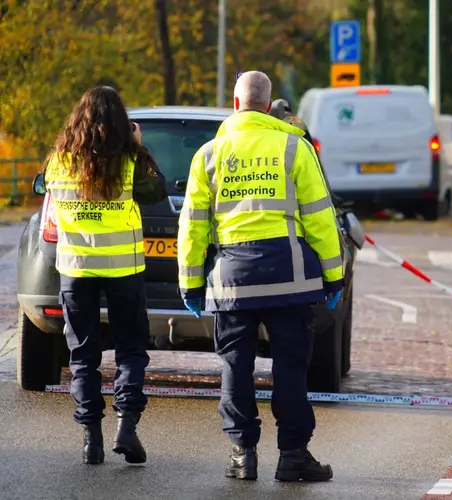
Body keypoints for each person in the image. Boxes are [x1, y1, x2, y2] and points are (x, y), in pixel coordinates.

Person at [177, 71, 343, 482]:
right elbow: (320, 217)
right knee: (290, 367)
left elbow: (194, 226)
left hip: (233, 279)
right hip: (290, 277)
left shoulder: (208, 155)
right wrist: (334, 276)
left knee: (236, 364)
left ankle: (242, 456)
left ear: (235, 105)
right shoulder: (294, 146)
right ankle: (293, 457)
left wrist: (191, 282)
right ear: (269, 106)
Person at [44, 86, 167, 464]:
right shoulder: (130, 161)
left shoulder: (60, 162)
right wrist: (139, 146)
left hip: (76, 271)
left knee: (82, 356)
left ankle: (91, 440)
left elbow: (46, 191)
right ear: (120, 123)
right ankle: (126, 428)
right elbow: (156, 190)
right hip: (123, 270)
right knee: (131, 350)